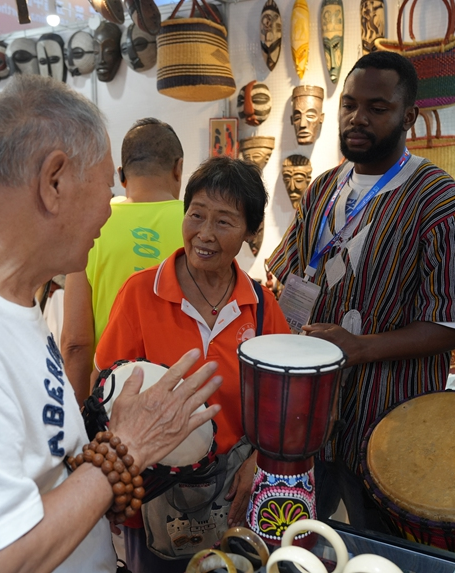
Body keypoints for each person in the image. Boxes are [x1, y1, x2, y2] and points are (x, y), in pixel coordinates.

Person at [0, 74, 222, 573]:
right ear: (55, 182)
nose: (107, 212)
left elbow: (38, 464)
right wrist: (127, 450)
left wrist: (100, 470)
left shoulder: (2, 297)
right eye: (105, 188)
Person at [267, 51, 455, 531]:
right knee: (296, 534)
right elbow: (289, 277)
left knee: (379, 546)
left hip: (388, 416)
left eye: (377, 108)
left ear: (408, 117)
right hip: (311, 411)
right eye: (349, 104)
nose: (358, 118)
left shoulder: (446, 205)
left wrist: (361, 348)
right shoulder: (322, 190)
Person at [94, 156, 291, 572]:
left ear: (251, 232)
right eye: (196, 214)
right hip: (152, 497)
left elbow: (283, 404)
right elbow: (107, 392)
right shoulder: (141, 293)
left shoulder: (260, 307)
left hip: (232, 497)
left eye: (224, 222)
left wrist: (260, 460)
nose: (204, 233)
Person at [61, 117, 185, 403]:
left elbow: (76, 343)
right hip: (182, 399)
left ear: (121, 175)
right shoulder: (199, 226)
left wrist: (81, 416)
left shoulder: (93, 226)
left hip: (110, 399)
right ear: (178, 168)